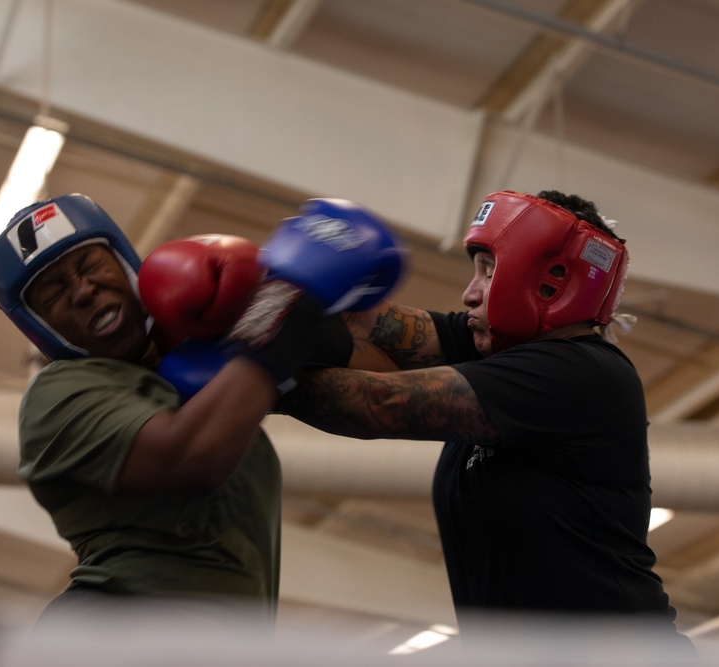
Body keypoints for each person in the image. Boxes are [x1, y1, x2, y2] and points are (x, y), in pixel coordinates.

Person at [277, 190, 695, 652]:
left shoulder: (583, 373)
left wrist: (256, 367)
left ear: (554, 281)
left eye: (490, 271)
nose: (470, 291)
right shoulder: (493, 351)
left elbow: (379, 403)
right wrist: (284, 295)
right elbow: (366, 327)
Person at [0, 193, 402, 632]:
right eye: (53, 292)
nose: (84, 291)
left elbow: (386, 383)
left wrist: (312, 310)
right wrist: (284, 303)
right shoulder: (58, 395)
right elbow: (186, 457)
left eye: (90, 267)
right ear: (38, 324)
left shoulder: (202, 378)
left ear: (124, 262)